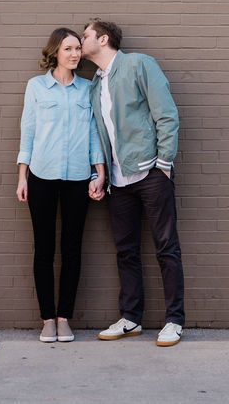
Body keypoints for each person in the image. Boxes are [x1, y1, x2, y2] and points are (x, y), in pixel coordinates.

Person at [80, 19, 186, 347]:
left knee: (166, 247)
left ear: (104, 38)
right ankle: (131, 318)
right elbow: (100, 134)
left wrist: (164, 165)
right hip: (118, 181)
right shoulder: (95, 84)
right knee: (125, 251)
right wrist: (101, 175)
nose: (80, 41)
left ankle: (174, 321)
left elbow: (166, 114)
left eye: (85, 36)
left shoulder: (140, 65)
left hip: (151, 173)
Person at [16, 27, 106, 343]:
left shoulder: (87, 88)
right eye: (68, 48)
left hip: (78, 178)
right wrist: (22, 176)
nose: (74, 54)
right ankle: (47, 319)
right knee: (44, 249)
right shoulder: (37, 87)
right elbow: (27, 132)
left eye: (77, 48)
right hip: (41, 176)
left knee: (72, 249)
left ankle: (64, 317)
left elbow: (95, 132)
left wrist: (99, 171)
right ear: (55, 51)